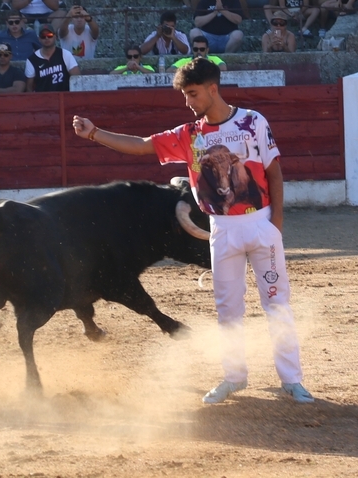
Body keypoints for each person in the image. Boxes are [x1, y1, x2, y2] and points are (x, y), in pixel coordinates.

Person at [71, 58, 314, 406]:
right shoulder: (191, 134)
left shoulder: (253, 122)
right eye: (186, 95)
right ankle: (234, 376)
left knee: (276, 304)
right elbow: (141, 144)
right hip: (221, 229)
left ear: (213, 89)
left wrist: (275, 224)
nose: (188, 102)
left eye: (193, 94)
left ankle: (291, 380)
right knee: (228, 308)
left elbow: (274, 173)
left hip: (259, 223)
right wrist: (94, 133)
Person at [24, 23, 80, 92]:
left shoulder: (65, 54)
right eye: (43, 36)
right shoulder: (32, 60)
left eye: (49, 35)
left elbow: (77, 79)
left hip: (64, 98)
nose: (46, 38)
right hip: (43, 100)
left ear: (55, 36)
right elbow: (29, 87)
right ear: (39, 39)